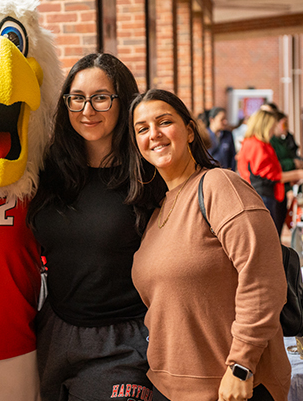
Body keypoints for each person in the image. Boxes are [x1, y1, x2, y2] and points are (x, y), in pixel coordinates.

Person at [129, 89, 291, 401]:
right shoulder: (156, 211)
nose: (154, 134)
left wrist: (241, 364)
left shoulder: (219, 185)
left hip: (234, 387)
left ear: (189, 131)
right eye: (142, 128)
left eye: (164, 122)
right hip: (167, 388)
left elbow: (263, 277)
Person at [27, 53, 155, 401]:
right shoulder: (50, 172)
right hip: (56, 331)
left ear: (123, 101)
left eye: (101, 97)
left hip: (125, 340)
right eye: (77, 98)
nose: (87, 110)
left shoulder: (147, 177)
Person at [237, 108, 303, 232]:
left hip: (267, 194)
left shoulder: (259, 143)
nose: (273, 130)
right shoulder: (256, 145)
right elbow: (269, 175)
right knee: (269, 235)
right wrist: (297, 174)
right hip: (263, 195)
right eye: (272, 127)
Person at [270, 111, 303, 232]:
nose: (286, 126)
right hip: (277, 185)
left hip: (290, 183)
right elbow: (276, 165)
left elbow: (295, 153)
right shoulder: (271, 141)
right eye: (284, 123)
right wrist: (292, 163)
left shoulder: (288, 137)